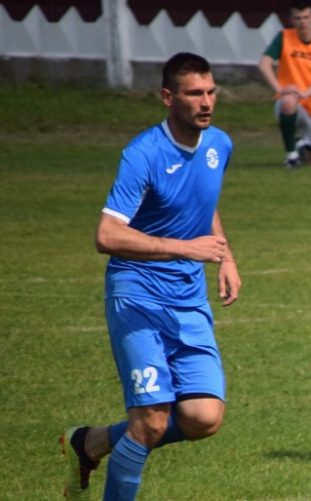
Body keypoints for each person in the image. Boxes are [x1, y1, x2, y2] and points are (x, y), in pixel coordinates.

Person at [60, 52, 241, 500]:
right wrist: (186, 248)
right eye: (194, 93)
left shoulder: (219, 145)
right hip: (138, 294)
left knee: (203, 417)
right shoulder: (143, 154)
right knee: (151, 421)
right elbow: (107, 235)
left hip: (188, 297)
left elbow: (201, 201)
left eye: (211, 92)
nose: (206, 102)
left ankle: (90, 444)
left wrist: (226, 256)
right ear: (167, 97)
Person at [257, 1, 311, 169]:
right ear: (291, 20)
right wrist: (280, 90)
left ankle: (299, 143)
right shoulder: (284, 37)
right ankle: (291, 155)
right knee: (288, 101)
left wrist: (306, 93)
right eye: (298, 18)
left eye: (306, 17)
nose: (302, 22)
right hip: (291, 100)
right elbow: (264, 63)